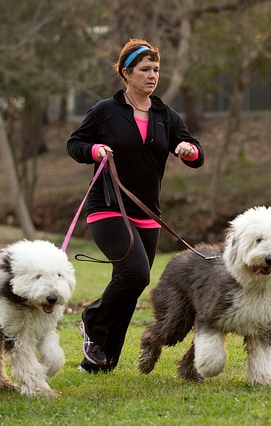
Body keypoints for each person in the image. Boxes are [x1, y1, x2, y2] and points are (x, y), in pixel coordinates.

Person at [66, 38, 205, 373]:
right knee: (135, 272)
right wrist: (95, 150)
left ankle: (102, 361)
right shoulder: (105, 111)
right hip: (108, 205)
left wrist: (189, 150)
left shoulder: (165, 115)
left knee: (133, 282)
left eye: (156, 70)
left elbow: (196, 150)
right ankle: (93, 321)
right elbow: (75, 143)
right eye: (145, 69)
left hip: (147, 211)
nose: (152, 75)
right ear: (126, 73)